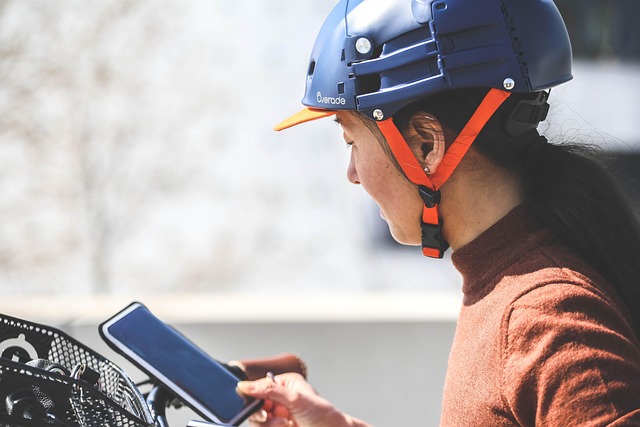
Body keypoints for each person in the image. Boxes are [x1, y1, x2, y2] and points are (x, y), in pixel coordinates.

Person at [236, 0, 640, 425]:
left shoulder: (550, 322)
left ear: (426, 144)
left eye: (351, 142)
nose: (352, 174)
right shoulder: (506, 285)